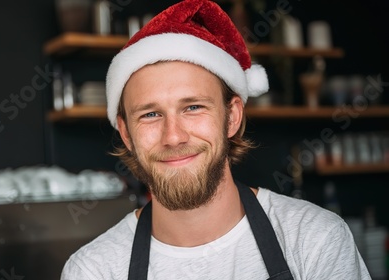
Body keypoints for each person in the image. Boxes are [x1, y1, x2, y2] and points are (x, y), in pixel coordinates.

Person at [61, 0, 370, 279]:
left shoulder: (314, 241)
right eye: (150, 114)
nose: (174, 136)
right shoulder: (94, 270)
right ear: (126, 133)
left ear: (232, 117)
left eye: (193, 107)